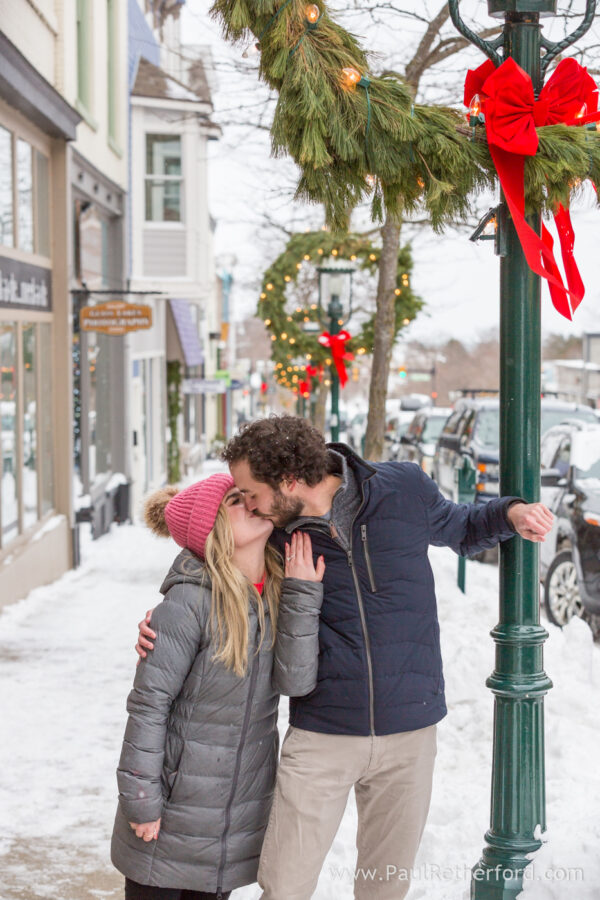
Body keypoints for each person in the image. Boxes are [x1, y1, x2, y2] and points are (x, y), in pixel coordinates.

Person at [137, 416, 553, 900]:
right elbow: (214, 557)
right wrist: (163, 622)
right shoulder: (275, 533)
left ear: (289, 481)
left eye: (251, 491)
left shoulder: (402, 489)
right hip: (323, 733)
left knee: (384, 888)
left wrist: (511, 513)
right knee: (285, 885)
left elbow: (460, 526)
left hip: (410, 729)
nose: (247, 501)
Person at [112, 472, 324, 900]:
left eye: (250, 496)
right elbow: (150, 706)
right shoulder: (189, 602)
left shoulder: (277, 593)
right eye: (234, 501)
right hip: (171, 814)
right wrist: (141, 799)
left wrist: (302, 596)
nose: (249, 504)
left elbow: (296, 682)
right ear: (213, 531)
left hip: (232, 817)